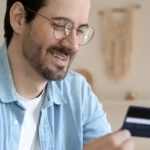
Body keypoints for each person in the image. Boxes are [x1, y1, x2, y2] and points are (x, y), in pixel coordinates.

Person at [0, 0, 135, 149]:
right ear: (18, 18)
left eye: (79, 31)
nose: (74, 45)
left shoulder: (78, 93)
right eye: (60, 25)